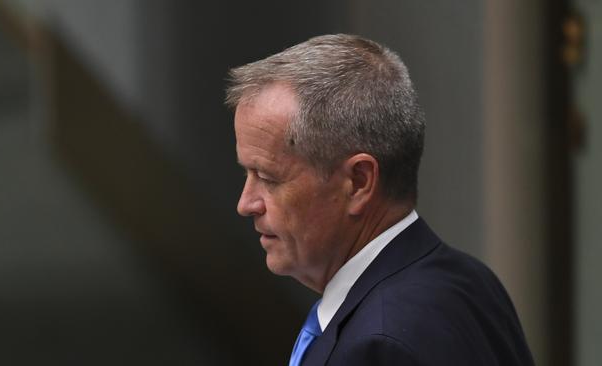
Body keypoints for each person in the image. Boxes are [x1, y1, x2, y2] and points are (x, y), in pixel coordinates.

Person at [225, 34, 534, 366]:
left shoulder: (377, 348)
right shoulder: (470, 281)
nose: (246, 203)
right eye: (247, 174)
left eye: (269, 178)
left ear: (358, 182)